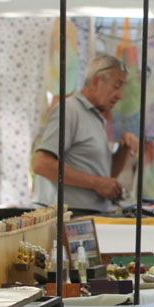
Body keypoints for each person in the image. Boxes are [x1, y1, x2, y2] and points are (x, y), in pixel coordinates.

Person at [31, 54, 138, 214]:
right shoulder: (69, 111)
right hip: (66, 215)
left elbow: (105, 175)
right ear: (96, 81)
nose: (120, 96)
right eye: (116, 86)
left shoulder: (97, 118)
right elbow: (41, 164)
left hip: (90, 213)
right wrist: (96, 183)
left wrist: (123, 149)